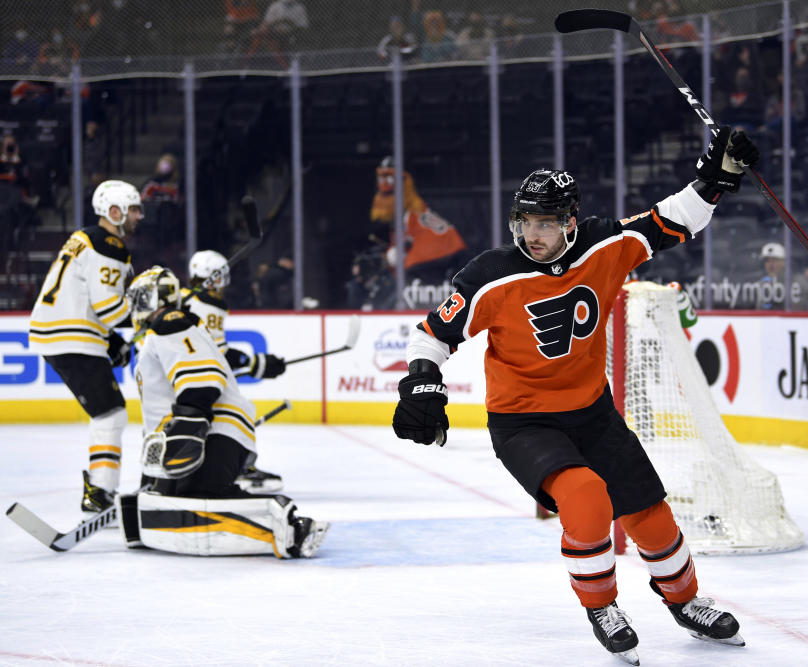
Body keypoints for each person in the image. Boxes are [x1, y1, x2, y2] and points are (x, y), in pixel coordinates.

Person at [392, 126, 760, 664]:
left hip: (593, 415)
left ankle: (686, 602)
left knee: (651, 516)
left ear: (569, 222)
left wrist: (716, 177)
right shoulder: (490, 275)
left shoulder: (602, 246)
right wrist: (423, 381)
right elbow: (433, 333)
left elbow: (670, 221)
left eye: (544, 223)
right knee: (586, 497)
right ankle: (602, 607)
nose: (532, 234)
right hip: (524, 424)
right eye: (524, 222)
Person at [116, 266, 327, 558]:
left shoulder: (170, 322)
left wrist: (189, 427)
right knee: (173, 504)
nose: (133, 307)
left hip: (214, 433)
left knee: (202, 500)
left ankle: (290, 527)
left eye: (138, 299)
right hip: (205, 433)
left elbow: (202, 378)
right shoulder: (158, 335)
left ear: (153, 299)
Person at [28, 179, 143, 514]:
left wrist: (109, 341)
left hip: (64, 331)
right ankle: (99, 491)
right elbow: (109, 309)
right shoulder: (109, 245)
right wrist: (145, 311)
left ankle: (100, 489)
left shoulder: (86, 239)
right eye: (133, 209)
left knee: (108, 411)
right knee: (111, 414)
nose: (139, 216)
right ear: (114, 211)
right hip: (71, 335)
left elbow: (86, 302)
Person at [183, 249, 287, 492]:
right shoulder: (209, 304)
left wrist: (252, 363)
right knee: (239, 410)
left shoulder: (186, 296)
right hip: (201, 376)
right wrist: (253, 363)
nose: (223, 283)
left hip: (184, 374)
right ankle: (242, 468)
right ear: (207, 276)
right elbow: (219, 353)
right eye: (218, 277)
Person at [370, 156, 468, 284]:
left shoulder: (411, 210)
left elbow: (405, 246)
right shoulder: (415, 208)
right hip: (452, 248)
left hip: (441, 250)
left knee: (407, 272)